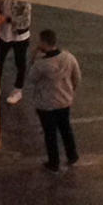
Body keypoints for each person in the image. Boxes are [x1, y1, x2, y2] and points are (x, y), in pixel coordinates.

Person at [24, 28, 81, 170]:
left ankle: (54, 162)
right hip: (64, 101)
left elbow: (30, 78)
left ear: (44, 43)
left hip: (46, 104)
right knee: (65, 128)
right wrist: (70, 91)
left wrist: (33, 56)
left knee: (50, 134)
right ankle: (72, 155)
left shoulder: (41, 65)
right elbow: (77, 77)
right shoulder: (69, 58)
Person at [0, 0, 32, 102]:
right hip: (3, 34)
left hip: (20, 37)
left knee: (20, 63)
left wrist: (5, 19)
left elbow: (24, 18)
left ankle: (18, 90)